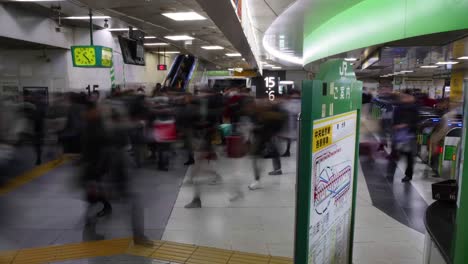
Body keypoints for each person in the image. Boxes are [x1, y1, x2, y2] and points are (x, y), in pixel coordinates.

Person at [249, 100, 287, 190]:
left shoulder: (268, 115)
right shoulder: (265, 114)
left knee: (257, 159)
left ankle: (257, 180)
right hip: (265, 138)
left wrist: (255, 129)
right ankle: (258, 179)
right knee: (258, 159)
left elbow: (265, 128)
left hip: (265, 139)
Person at [388, 93, 419, 182]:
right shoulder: (398, 108)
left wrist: (405, 125)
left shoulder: (414, 109)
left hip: (409, 137)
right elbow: (394, 122)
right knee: (395, 156)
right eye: (405, 97)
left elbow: (416, 123)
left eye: (408, 97)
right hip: (399, 136)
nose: (406, 99)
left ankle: (408, 175)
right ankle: (390, 174)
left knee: (409, 158)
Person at [278, 90, 301, 157]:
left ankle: (288, 151)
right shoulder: (299, 102)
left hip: (292, 122)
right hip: (293, 122)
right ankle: (288, 151)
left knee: (291, 138)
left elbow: (285, 107)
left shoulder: (289, 102)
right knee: (293, 138)